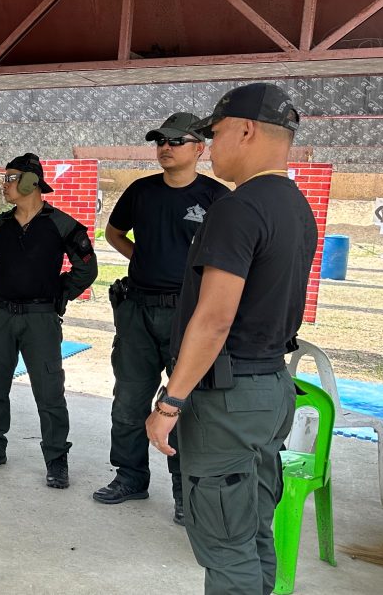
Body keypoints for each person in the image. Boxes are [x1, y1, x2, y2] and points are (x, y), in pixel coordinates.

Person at [146, 83, 315, 594]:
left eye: (215, 133)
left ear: (245, 131)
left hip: (229, 398)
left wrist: (170, 403)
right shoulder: (295, 204)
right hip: (269, 389)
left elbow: (214, 319)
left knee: (225, 544)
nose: (210, 146)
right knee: (251, 529)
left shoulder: (238, 208)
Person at [93, 113, 228, 521]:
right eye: (160, 141)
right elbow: (114, 233)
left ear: (199, 148)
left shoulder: (217, 198)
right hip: (136, 309)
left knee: (183, 402)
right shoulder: (141, 191)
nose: (165, 147)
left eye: (176, 141)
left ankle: (185, 491)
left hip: (187, 312)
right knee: (129, 399)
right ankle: (130, 477)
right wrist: (143, 259)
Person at [0, 153, 97, 486]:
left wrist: (60, 293)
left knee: (49, 391)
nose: (4, 185)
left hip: (41, 319)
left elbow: (86, 269)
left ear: (30, 182)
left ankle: (56, 460)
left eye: (10, 178)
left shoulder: (62, 224)